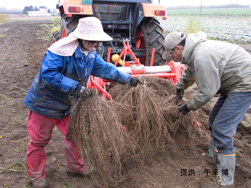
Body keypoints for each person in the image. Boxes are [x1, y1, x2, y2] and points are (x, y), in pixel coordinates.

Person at [24, 17, 141, 188]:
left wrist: (128, 80)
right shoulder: (59, 51)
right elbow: (48, 74)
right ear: (83, 38)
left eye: (98, 42)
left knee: (75, 136)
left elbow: (106, 69)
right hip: (45, 103)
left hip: (68, 104)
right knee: (39, 141)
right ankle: (37, 176)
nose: (96, 45)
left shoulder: (89, 54)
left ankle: (75, 168)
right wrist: (75, 87)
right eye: (94, 41)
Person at [162, 31, 251, 186]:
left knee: (222, 128)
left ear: (178, 48)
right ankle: (213, 157)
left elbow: (207, 92)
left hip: (243, 84)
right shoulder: (194, 53)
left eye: (171, 53)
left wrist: (186, 108)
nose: (172, 57)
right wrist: (179, 88)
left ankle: (226, 178)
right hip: (233, 83)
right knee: (214, 119)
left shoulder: (202, 56)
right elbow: (189, 72)